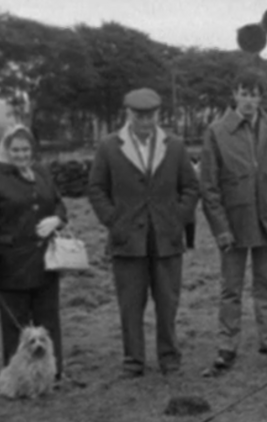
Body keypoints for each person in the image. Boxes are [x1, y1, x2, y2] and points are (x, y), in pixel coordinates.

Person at [87, 88, 199, 378]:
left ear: (158, 115)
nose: (145, 122)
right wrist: (114, 220)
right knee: (130, 304)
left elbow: (190, 186)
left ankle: (169, 357)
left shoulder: (175, 146)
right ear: (129, 114)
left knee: (168, 302)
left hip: (166, 238)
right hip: (127, 240)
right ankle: (133, 360)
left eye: (150, 116)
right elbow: (96, 188)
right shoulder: (109, 146)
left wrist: (178, 218)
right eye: (139, 116)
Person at [201, 70, 267, 373]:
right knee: (230, 288)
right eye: (244, 94)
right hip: (233, 224)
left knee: (266, 285)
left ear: (261, 98)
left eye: (254, 95)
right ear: (234, 94)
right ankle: (227, 346)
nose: (249, 100)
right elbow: (209, 186)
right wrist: (220, 228)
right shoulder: (217, 132)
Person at [0, 125, 67, 378]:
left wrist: (57, 219)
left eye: (26, 149)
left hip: (45, 262)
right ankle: (18, 378)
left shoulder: (40, 172)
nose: (21, 155)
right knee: (16, 325)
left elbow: (58, 203)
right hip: (10, 265)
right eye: (15, 150)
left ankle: (51, 374)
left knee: (48, 322)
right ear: (6, 149)